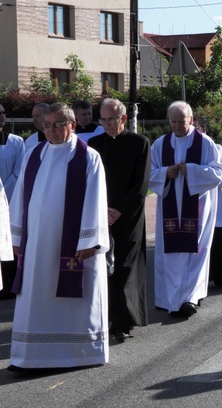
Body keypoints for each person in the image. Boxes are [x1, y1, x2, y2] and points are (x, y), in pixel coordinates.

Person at [8, 102, 110, 371]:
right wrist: (15, 237)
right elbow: (19, 198)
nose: (50, 130)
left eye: (57, 124)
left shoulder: (88, 157)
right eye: (46, 125)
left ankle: (81, 353)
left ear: (72, 125)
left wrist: (89, 240)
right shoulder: (34, 154)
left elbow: (95, 200)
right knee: (35, 295)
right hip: (37, 244)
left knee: (75, 299)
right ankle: (29, 357)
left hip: (74, 245)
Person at [150, 101, 222, 318]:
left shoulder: (206, 144)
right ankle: (171, 299)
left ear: (190, 120)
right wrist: (165, 173)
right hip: (169, 209)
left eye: (181, 122)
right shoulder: (159, 145)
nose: (176, 126)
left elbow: (219, 172)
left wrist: (190, 171)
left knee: (195, 252)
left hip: (198, 208)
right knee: (172, 254)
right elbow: (148, 174)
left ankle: (190, 298)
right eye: (172, 122)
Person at [88, 98, 150, 342]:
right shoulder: (94, 144)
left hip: (130, 214)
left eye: (111, 119)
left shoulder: (139, 143)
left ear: (123, 119)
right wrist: (103, 209)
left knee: (125, 266)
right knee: (103, 267)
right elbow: (91, 180)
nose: (106, 124)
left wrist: (119, 210)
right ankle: (105, 317)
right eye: (102, 120)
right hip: (100, 213)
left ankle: (123, 322)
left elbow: (142, 183)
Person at [193, 118, 222, 287]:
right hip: (192, 202)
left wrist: (205, 179)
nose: (194, 132)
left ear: (204, 130)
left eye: (197, 129)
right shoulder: (186, 150)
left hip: (211, 200)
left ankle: (219, 275)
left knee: (215, 239)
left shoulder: (216, 149)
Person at [0, 103, 25, 299]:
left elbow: (19, 172)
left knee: (8, 242)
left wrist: (3, 193)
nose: (0, 117)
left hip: (9, 199)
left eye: (2, 113)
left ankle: (10, 286)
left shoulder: (17, 142)